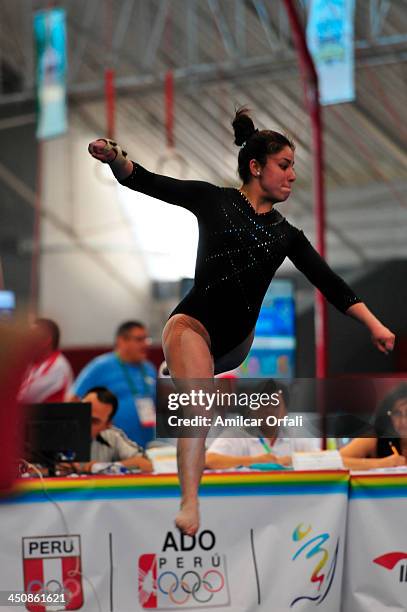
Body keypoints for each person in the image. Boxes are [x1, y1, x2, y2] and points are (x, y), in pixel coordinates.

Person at [88, 107, 395, 535]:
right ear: (256, 167)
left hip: (237, 344)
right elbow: (147, 181)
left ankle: (181, 373)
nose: (292, 176)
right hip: (193, 326)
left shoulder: (286, 234)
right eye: (284, 166)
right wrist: (116, 157)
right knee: (198, 405)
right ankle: (190, 502)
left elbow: (330, 282)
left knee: (200, 387)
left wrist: (374, 324)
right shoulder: (214, 200)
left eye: (293, 168)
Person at [71, 321, 156, 448]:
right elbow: (74, 401)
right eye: (139, 339)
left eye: (146, 339)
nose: (145, 345)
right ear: (122, 341)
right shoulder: (100, 367)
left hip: (146, 445)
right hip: (109, 447)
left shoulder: (149, 369)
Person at [206, 385, 320, 469]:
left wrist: (294, 460)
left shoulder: (295, 435)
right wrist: (255, 461)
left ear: (285, 411)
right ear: (252, 410)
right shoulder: (236, 435)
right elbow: (209, 460)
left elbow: (321, 459)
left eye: (275, 405)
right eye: (264, 403)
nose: (269, 410)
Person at [60, 387, 153, 474]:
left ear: (107, 425)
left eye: (93, 421)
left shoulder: (112, 436)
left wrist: (99, 467)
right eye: (83, 412)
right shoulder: (56, 430)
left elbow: (146, 464)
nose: (84, 422)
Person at [340, 384, 407, 470]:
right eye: (397, 413)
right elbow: (334, 462)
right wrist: (382, 463)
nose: (404, 421)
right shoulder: (375, 438)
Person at [18, 318, 73, 404]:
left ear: (47, 340)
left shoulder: (57, 365)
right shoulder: (33, 364)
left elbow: (25, 396)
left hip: (54, 417)